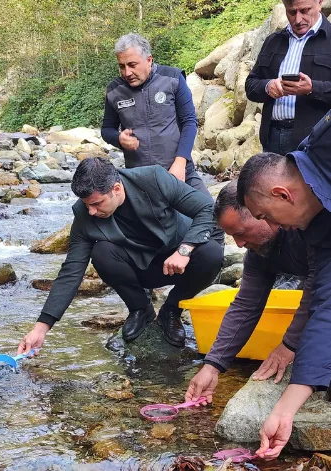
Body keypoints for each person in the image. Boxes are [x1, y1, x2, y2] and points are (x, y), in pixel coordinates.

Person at [17, 157, 222, 355]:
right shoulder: (83, 214)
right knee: (101, 252)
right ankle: (140, 309)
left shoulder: (154, 179)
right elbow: (71, 271)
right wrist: (41, 328)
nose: (91, 211)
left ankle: (171, 310)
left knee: (212, 253)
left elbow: (206, 208)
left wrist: (184, 250)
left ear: (116, 188)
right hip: (140, 269)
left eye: (97, 203)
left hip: (178, 260)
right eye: (87, 204)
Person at [236, 118, 331, 458]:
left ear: (283, 194)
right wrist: (285, 410)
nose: (271, 227)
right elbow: (327, 307)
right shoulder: (320, 226)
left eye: (266, 216)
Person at [184, 181, 312, 406]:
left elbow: (319, 290)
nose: (240, 244)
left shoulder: (306, 227)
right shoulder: (258, 252)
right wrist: (212, 366)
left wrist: (289, 345)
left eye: (241, 233)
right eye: (232, 237)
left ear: (260, 212)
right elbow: (246, 305)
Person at [101, 33, 209, 198]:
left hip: (178, 170)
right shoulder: (114, 90)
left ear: (149, 60)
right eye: (122, 66)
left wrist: (180, 163)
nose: (127, 72)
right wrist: (118, 139)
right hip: (139, 177)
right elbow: (107, 129)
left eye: (132, 65)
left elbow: (189, 122)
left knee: (210, 213)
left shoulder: (172, 78)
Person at [245, 0, 331, 155]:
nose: (297, 20)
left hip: (317, 144)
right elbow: (250, 85)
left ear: (320, 3)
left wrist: (312, 88)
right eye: (291, 12)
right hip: (272, 139)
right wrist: (268, 86)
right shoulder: (273, 41)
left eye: (305, 10)